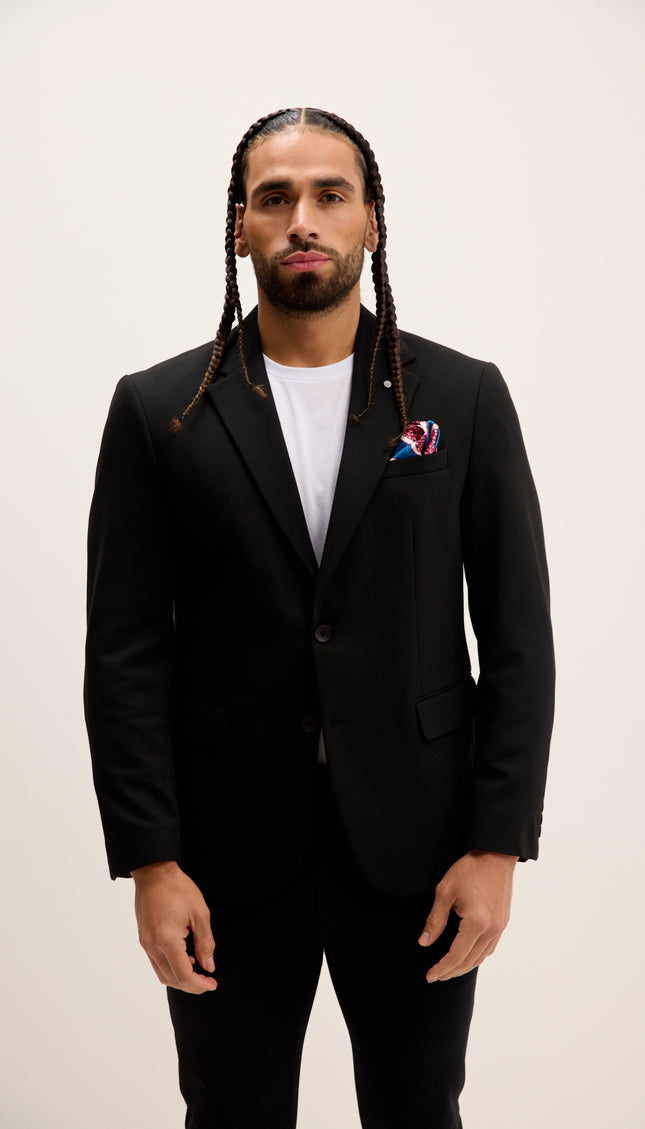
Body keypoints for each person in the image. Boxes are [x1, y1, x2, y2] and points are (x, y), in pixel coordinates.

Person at [84, 107, 555, 1129]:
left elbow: (519, 635)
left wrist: (496, 844)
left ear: (372, 222)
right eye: (276, 198)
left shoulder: (463, 400)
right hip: (225, 854)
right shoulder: (158, 409)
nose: (304, 218)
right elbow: (123, 652)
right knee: (230, 1113)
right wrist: (152, 860)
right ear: (241, 227)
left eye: (330, 195)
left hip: (423, 850)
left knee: (420, 1109)